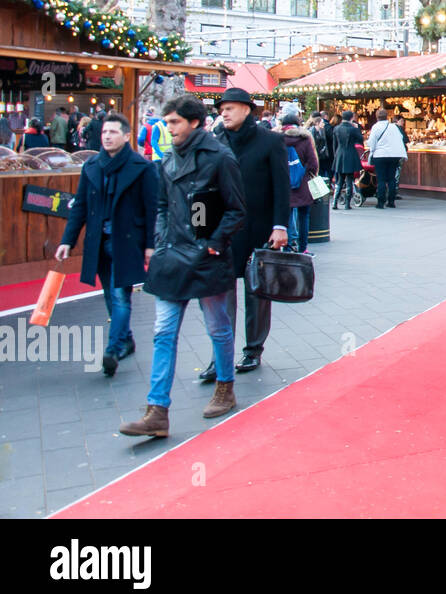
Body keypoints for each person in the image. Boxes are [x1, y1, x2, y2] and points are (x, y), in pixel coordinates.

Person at [120, 95, 246, 437]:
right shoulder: (167, 160)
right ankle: (157, 410)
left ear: (193, 122)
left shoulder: (220, 157)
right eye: (167, 121)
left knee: (218, 327)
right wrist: (161, 240)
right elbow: (161, 204)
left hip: (207, 258)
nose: (167, 127)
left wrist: (213, 244)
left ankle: (225, 387)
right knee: (163, 333)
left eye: (174, 122)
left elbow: (237, 209)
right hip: (173, 256)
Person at [55, 111, 158, 376]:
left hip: (128, 241)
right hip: (99, 241)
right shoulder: (92, 167)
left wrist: (150, 245)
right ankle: (126, 339)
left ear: (126, 136)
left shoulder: (142, 167)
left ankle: (113, 349)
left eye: (113, 132)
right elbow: (79, 207)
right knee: (110, 295)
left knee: (120, 295)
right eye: (104, 133)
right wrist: (67, 240)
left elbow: (151, 209)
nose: (107, 136)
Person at [204, 88, 290, 377]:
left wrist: (281, 226)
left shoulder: (270, 141)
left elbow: (281, 187)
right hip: (223, 231)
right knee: (221, 295)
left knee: (257, 292)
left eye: (229, 108)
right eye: (221, 109)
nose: (223, 113)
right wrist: (201, 229)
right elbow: (204, 190)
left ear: (247, 110)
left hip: (259, 228)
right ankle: (221, 355)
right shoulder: (214, 142)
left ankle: (253, 350)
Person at [279, 108, 319, 252]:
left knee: (286, 217)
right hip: (303, 184)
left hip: (283, 184)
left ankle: (287, 248)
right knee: (304, 216)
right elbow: (313, 163)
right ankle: (303, 248)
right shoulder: (305, 139)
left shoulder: (277, 139)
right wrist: (308, 174)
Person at [366, 107, 406, 209]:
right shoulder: (393, 127)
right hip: (393, 155)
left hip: (380, 155)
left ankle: (381, 202)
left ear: (377, 117)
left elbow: (372, 142)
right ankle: (391, 201)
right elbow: (401, 138)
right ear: (387, 117)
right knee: (392, 178)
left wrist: (371, 150)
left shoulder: (376, 127)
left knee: (381, 179)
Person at [332, 110, 364, 209]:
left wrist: (336, 155)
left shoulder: (336, 128)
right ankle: (347, 204)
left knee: (340, 180)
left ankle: (335, 203)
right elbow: (360, 139)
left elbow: (334, 144)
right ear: (351, 118)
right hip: (350, 153)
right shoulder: (353, 129)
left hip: (340, 154)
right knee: (349, 179)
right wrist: (356, 128)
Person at [309, 112, 333, 186]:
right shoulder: (312, 131)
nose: (324, 123)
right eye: (322, 122)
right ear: (317, 123)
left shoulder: (322, 130)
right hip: (317, 155)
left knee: (325, 172)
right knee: (320, 173)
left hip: (323, 155)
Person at [392, 116, 409, 200]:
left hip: (391, 153)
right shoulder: (399, 129)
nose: (403, 122)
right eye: (402, 121)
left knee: (392, 173)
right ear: (397, 121)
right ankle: (394, 192)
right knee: (397, 173)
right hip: (399, 153)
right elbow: (406, 139)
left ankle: (391, 192)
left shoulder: (390, 129)